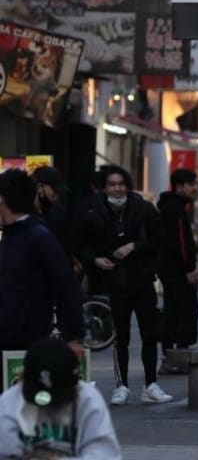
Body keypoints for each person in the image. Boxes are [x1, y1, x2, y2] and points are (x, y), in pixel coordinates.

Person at [75, 166, 173, 406]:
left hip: (142, 278)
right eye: (112, 184)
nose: (117, 188)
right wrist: (95, 260)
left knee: (149, 333)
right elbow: (80, 245)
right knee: (121, 337)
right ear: (104, 187)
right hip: (114, 282)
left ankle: (151, 383)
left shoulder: (143, 209)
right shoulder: (93, 212)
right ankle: (122, 385)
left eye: (120, 184)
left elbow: (159, 239)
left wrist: (134, 246)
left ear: (127, 186)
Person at [0, 169, 84, 354]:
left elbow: (67, 284)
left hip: (27, 343)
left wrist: (74, 336)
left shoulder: (37, 235)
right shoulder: (9, 236)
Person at [0, 339, 121, 459]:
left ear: (75, 384)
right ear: (23, 380)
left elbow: (105, 453)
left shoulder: (88, 399)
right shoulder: (9, 402)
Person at [157, 169, 198, 374]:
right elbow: (181, 242)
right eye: (192, 184)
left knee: (172, 310)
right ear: (180, 186)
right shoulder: (175, 208)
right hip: (177, 269)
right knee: (186, 310)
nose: (195, 189)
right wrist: (189, 268)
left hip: (170, 268)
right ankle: (178, 355)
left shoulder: (172, 206)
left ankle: (170, 355)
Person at [32, 166, 74, 264]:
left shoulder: (60, 214)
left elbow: (65, 250)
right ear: (39, 187)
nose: (57, 195)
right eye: (55, 190)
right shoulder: (23, 215)